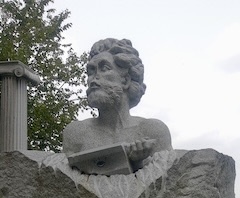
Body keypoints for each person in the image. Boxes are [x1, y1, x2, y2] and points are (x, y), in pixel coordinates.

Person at [63, 38, 172, 173]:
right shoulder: (76, 133)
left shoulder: (153, 131)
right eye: (91, 71)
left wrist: (138, 163)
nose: (93, 78)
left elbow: (169, 182)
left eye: (104, 68)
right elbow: (64, 183)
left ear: (125, 80)